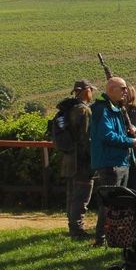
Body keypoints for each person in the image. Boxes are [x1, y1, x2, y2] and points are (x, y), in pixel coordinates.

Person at [90, 76, 136, 246]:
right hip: (110, 163)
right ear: (111, 90)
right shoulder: (103, 110)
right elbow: (106, 136)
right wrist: (129, 141)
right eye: (122, 88)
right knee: (109, 205)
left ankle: (115, 237)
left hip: (120, 161)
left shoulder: (114, 108)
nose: (126, 91)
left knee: (118, 204)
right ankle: (101, 239)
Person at [58, 80, 95, 239]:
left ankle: (72, 227)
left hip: (68, 159)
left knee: (72, 195)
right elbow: (86, 138)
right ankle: (77, 230)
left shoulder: (69, 109)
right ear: (86, 91)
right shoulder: (84, 111)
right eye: (91, 90)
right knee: (81, 196)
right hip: (81, 161)